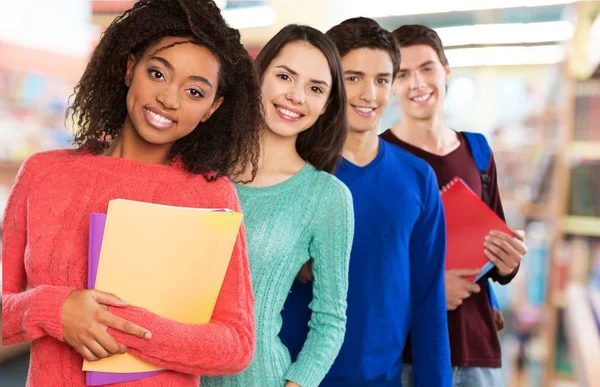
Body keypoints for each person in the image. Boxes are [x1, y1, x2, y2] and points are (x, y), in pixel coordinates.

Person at [1, 1, 262, 386]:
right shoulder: (43, 173)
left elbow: (236, 343)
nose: (169, 99)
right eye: (157, 73)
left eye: (194, 91)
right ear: (129, 68)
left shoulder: (211, 195)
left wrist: (118, 327)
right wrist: (53, 310)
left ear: (212, 108)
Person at [279, 17, 451, 387]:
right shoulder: (290, 171)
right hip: (289, 376)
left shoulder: (417, 178)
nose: (369, 94)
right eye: (353, 77)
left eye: (382, 80)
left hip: (381, 379)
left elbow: (428, 301)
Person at [202, 24, 354, 387]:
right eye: (285, 76)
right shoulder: (200, 168)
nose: (296, 96)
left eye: (315, 88)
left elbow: (330, 321)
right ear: (259, 76)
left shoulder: (325, 196)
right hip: (170, 375)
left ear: (326, 106)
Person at [380, 24, 528, 387]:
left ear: (446, 72)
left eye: (427, 68)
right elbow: (368, 269)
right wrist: (428, 292)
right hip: (408, 353)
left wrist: (509, 262)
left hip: (477, 347)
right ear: (392, 84)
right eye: (403, 74)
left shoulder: (478, 151)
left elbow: (496, 255)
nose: (417, 83)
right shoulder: (378, 158)